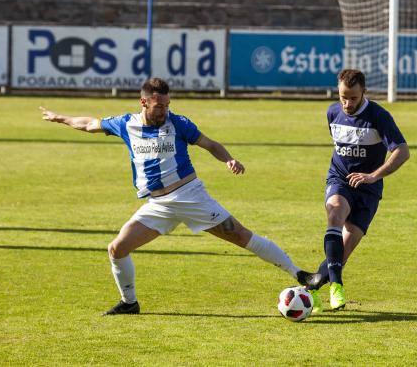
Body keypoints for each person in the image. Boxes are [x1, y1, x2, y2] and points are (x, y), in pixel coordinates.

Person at [39, 78, 318, 315]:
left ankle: (300, 274)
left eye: (167, 105)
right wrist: (59, 118)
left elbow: (209, 144)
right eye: (159, 106)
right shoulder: (126, 124)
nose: (164, 111)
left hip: (190, 197)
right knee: (117, 248)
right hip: (157, 205)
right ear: (144, 102)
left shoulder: (179, 123)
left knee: (242, 236)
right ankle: (129, 303)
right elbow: (89, 124)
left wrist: (229, 160)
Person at [304, 69, 410, 312]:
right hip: (339, 179)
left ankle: (309, 291)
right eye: (343, 97)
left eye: (353, 98)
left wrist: (373, 175)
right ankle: (337, 286)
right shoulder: (332, 112)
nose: (347, 103)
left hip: (368, 189)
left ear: (364, 92)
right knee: (335, 213)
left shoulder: (378, 116)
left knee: (345, 248)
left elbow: (402, 151)